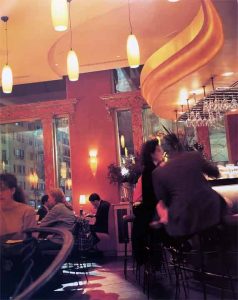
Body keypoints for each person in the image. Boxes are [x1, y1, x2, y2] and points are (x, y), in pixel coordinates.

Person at [152, 133, 227, 238]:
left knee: (169, 224)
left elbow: (163, 200)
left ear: (164, 150)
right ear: (177, 145)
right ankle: (222, 248)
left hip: (184, 217)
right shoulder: (194, 156)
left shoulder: (158, 172)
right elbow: (215, 173)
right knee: (227, 206)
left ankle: (188, 251)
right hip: (210, 208)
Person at [132, 139, 164, 265]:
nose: (162, 151)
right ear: (152, 154)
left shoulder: (154, 169)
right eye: (158, 149)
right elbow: (150, 197)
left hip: (149, 208)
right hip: (148, 209)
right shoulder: (150, 171)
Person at [0, 173, 36, 241]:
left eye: (2, 189)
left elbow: (31, 241)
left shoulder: (27, 211)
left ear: (12, 190)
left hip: (19, 250)